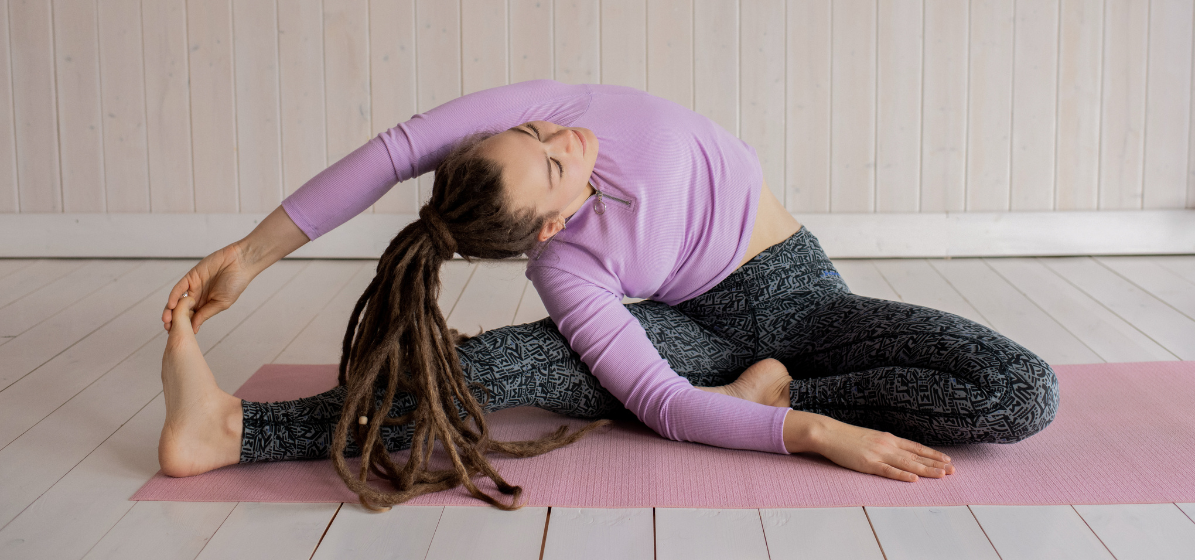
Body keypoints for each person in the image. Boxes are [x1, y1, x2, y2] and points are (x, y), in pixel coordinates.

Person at [157, 79, 1059, 512]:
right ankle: (236, 432)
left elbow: (394, 151)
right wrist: (816, 434)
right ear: (547, 226)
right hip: (686, 341)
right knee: (506, 360)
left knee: (1021, 391)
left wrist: (250, 251)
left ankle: (774, 388)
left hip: (804, 300)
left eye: (536, 129)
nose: (568, 132)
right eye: (555, 160)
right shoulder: (566, 272)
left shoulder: (558, 103)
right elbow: (664, 401)